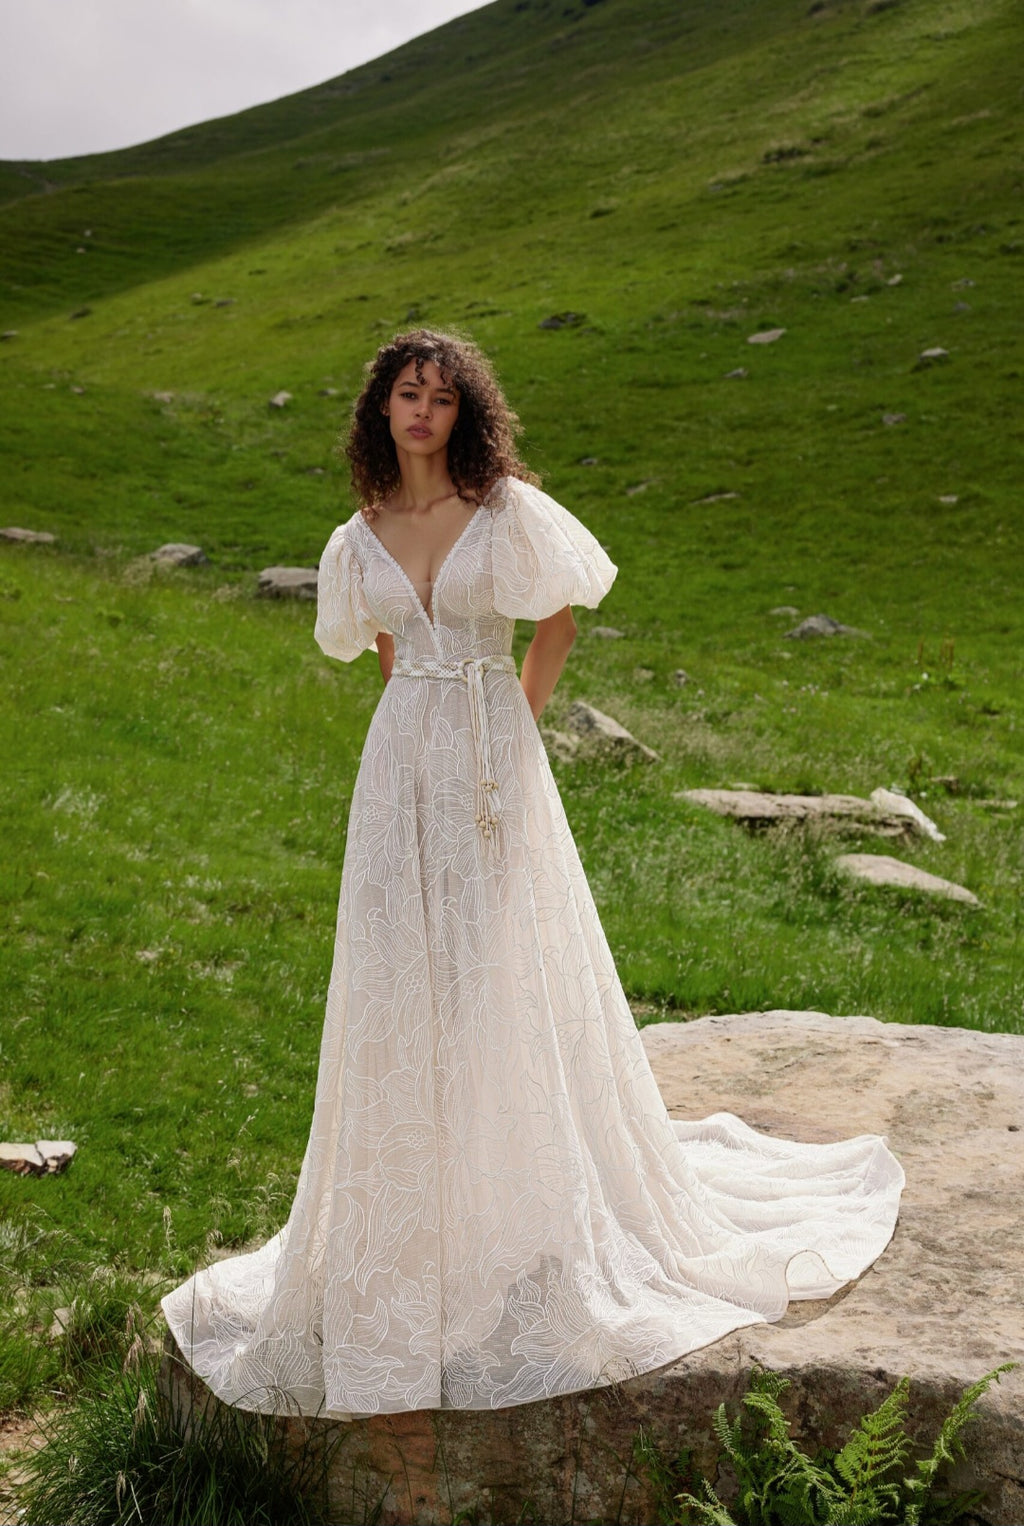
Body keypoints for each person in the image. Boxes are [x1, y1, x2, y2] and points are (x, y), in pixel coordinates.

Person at [162, 329, 904, 1420]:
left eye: (441, 397)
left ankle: (515, 1206)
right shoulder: (356, 533)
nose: (422, 412)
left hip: (491, 753)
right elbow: (380, 647)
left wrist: (508, 721)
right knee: (396, 980)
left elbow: (555, 620)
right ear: (380, 411)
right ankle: (414, 1211)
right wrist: (423, 707)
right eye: (405, 395)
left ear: (466, 414)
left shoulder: (502, 508)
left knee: (493, 968)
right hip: (398, 764)